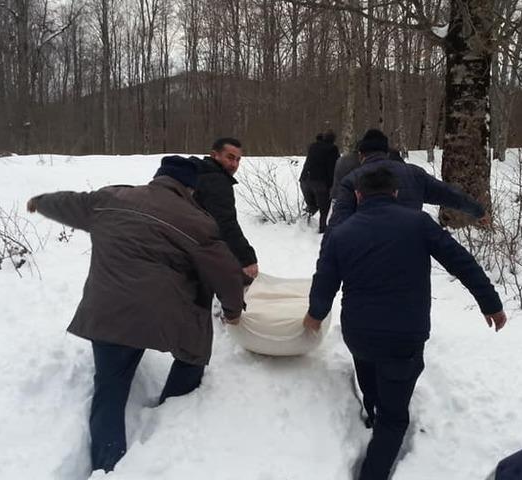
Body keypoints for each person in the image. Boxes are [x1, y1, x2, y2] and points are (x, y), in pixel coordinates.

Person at [26, 157, 245, 473]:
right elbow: (226, 273)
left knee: (110, 388)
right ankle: (173, 415)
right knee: (193, 354)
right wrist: (233, 311)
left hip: (107, 313)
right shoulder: (196, 221)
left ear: (159, 177)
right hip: (165, 317)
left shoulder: (109, 199)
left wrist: (40, 201)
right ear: (189, 189)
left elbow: (69, 202)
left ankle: (107, 466)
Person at [303, 167, 507, 480]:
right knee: (394, 417)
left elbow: (325, 279)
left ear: (358, 195)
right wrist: (490, 302)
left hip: (359, 334)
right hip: (404, 337)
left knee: (369, 374)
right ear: (395, 192)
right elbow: (461, 261)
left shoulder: (341, 233)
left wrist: (315, 314)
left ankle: (373, 410)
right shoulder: (417, 223)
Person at [327, 129, 488, 228]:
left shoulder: (351, 180)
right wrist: (478, 211)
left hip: (367, 258)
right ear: (387, 152)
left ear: (360, 155)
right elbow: (449, 194)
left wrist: (329, 269)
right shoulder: (414, 174)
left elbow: (337, 227)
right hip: (410, 254)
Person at [162, 137, 259, 280]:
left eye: (238, 160)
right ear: (214, 155)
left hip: (171, 245)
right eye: (230, 158)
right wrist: (247, 259)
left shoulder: (197, 174)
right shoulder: (216, 181)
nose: (234, 164)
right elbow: (225, 223)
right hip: (188, 249)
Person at [299, 130, 340, 233]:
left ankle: (302, 225)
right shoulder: (332, 149)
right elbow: (332, 168)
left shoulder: (313, 146)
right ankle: (322, 230)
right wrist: (332, 185)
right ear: (333, 140)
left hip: (304, 180)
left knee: (312, 206)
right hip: (319, 183)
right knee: (324, 208)